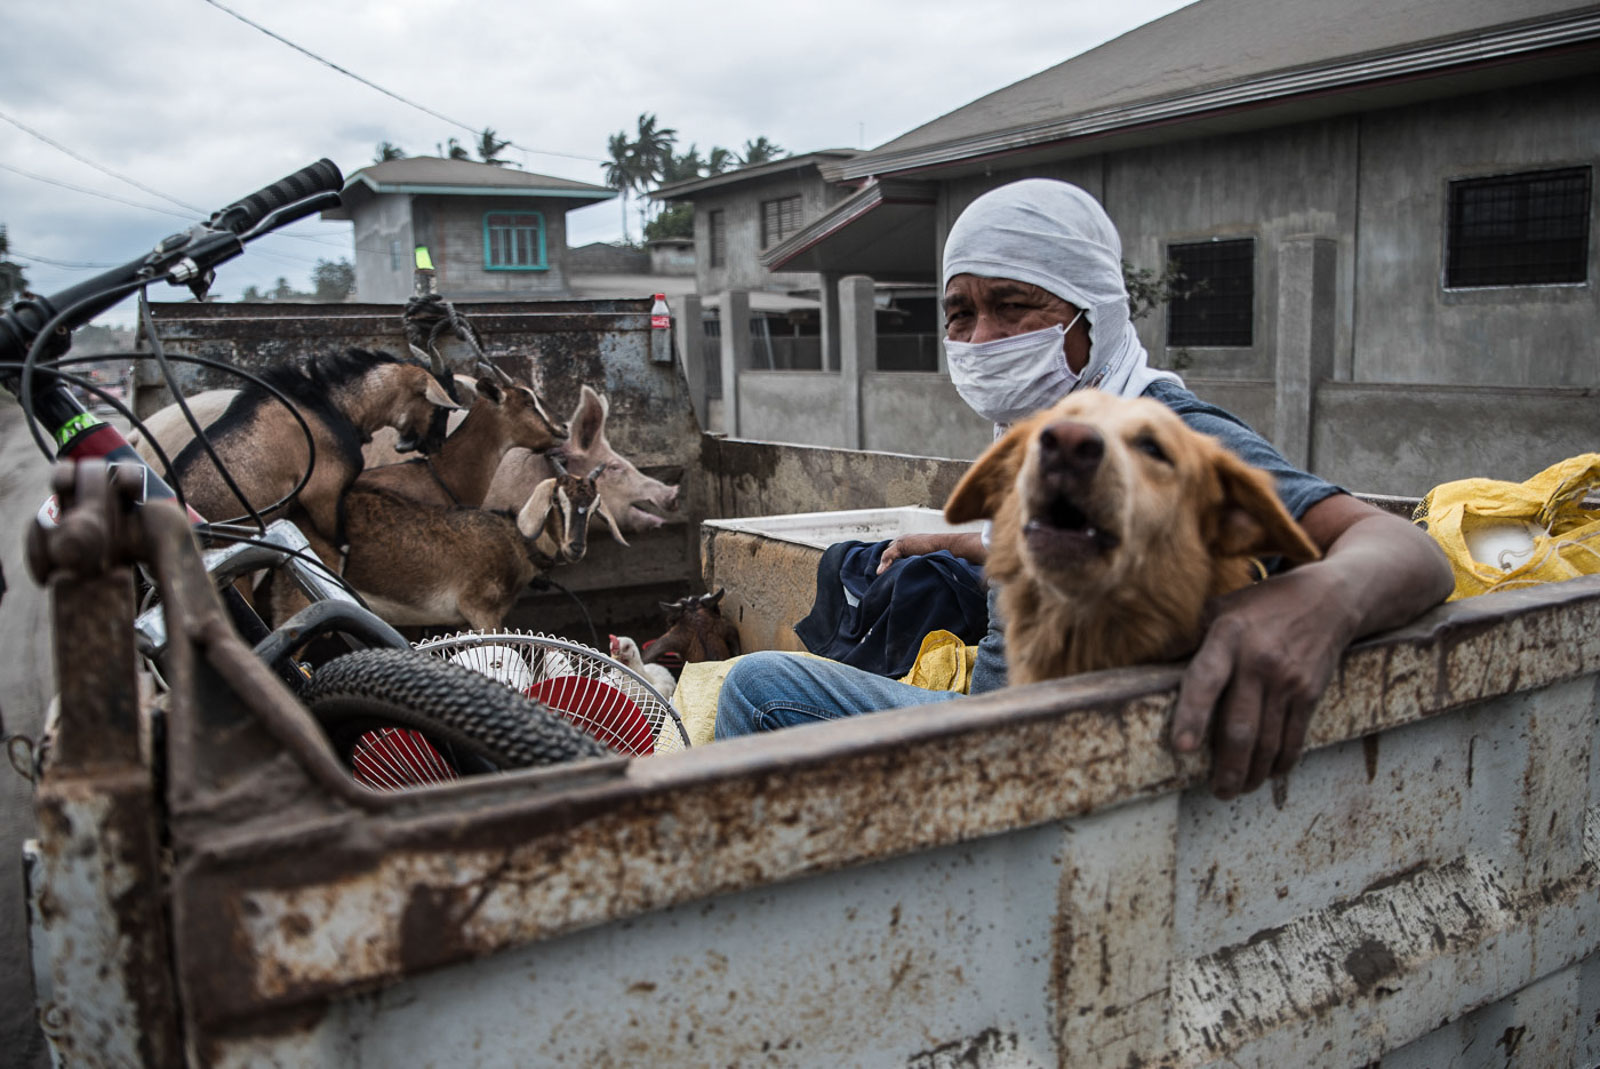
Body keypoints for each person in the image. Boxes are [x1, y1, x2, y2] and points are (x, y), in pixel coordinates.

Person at [715, 178, 1452, 800]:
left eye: (1013, 307)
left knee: (757, 688)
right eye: (961, 313)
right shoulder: (1045, 429)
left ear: (1091, 319)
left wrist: (1314, 604)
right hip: (1017, 715)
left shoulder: (1165, 433)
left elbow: (1404, 549)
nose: (979, 342)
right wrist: (958, 541)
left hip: (1025, 740)